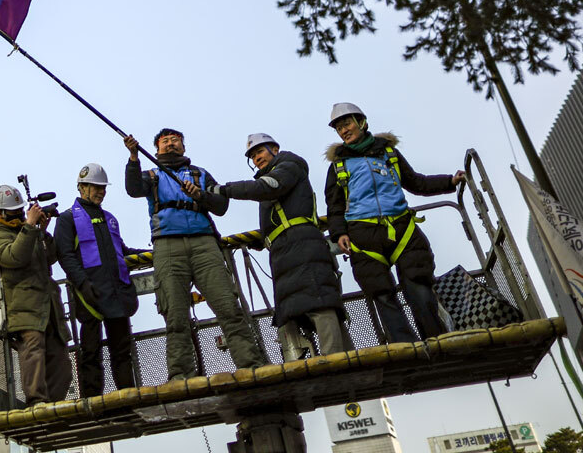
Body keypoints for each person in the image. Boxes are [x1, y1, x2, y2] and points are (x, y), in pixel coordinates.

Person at [124, 129, 267, 380]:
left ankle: (250, 364)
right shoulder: (152, 175)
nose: (170, 144)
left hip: (204, 244)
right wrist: (133, 157)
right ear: (156, 149)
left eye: (175, 140)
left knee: (227, 307)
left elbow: (221, 206)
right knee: (175, 316)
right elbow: (133, 189)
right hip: (167, 247)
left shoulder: (200, 175)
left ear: (183, 146)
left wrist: (199, 195)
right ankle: (180, 376)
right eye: (164, 141)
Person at [323, 102, 465, 343]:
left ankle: (436, 341)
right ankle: (406, 347)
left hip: (402, 229)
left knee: (419, 286)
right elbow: (335, 207)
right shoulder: (338, 166)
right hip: (363, 235)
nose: (343, 131)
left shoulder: (389, 153)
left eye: (346, 124)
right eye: (338, 128)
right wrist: (339, 234)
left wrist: (449, 182)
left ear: (361, 122)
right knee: (382, 294)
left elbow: (416, 182)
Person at [213, 133, 351, 360]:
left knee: (319, 301)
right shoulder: (271, 178)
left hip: (304, 245)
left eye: (260, 152)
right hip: (283, 250)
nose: (257, 158)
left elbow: (269, 187)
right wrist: (261, 239)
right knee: (292, 310)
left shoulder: (288, 167)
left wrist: (225, 190)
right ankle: (308, 360)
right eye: (253, 156)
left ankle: (337, 360)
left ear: (274, 149)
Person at [54, 163, 139, 397]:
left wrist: (150, 253)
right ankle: (93, 401)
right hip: (89, 294)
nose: (100, 191)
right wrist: (83, 283)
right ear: (82, 187)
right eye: (95, 187)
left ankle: (128, 396)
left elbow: (121, 251)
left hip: (116, 294)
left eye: (103, 187)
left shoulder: (109, 219)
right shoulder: (67, 219)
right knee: (90, 352)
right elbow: (65, 255)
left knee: (122, 350)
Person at [0, 184, 71, 406]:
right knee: (33, 354)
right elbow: (15, 257)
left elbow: (50, 257)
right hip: (25, 307)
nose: (20, 216)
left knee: (61, 360)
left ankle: (54, 404)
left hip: (48, 304)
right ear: (1, 213)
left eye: (21, 212)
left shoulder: (28, 229)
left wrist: (42, 231)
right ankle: (37, 402)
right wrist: (31, 227)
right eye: (15, 213)